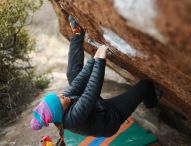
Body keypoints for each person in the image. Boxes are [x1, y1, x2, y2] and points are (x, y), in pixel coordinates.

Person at [31, 16, 160, 146]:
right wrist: (100, 61)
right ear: (60, 111)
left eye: (57, 96)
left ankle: (77, 33)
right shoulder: (73, 119)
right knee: (145, 85)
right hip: (110, 118)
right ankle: (152, 103)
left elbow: (78, 82)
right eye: (59, 99)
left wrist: (94, 59)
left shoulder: (64, 101)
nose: (61, 95)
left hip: (97, 108)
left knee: (72, 74)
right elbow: (91, 92)